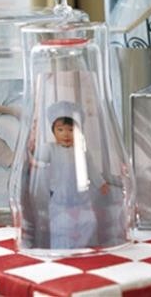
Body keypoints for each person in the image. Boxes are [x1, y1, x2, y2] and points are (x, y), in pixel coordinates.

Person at [32, 101, 109, 250]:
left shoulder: (82, 151)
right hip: (58, 196)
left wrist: (101, 183)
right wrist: (33, 158)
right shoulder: (50, 149)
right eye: (60, 130)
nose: (66, 134)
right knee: (60, 223)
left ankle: (86, 245)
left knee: (88, 220)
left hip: (80, 195)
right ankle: (61, 247)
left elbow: (92, 169)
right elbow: (37, 158)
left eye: (71, 129)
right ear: (53, 132)